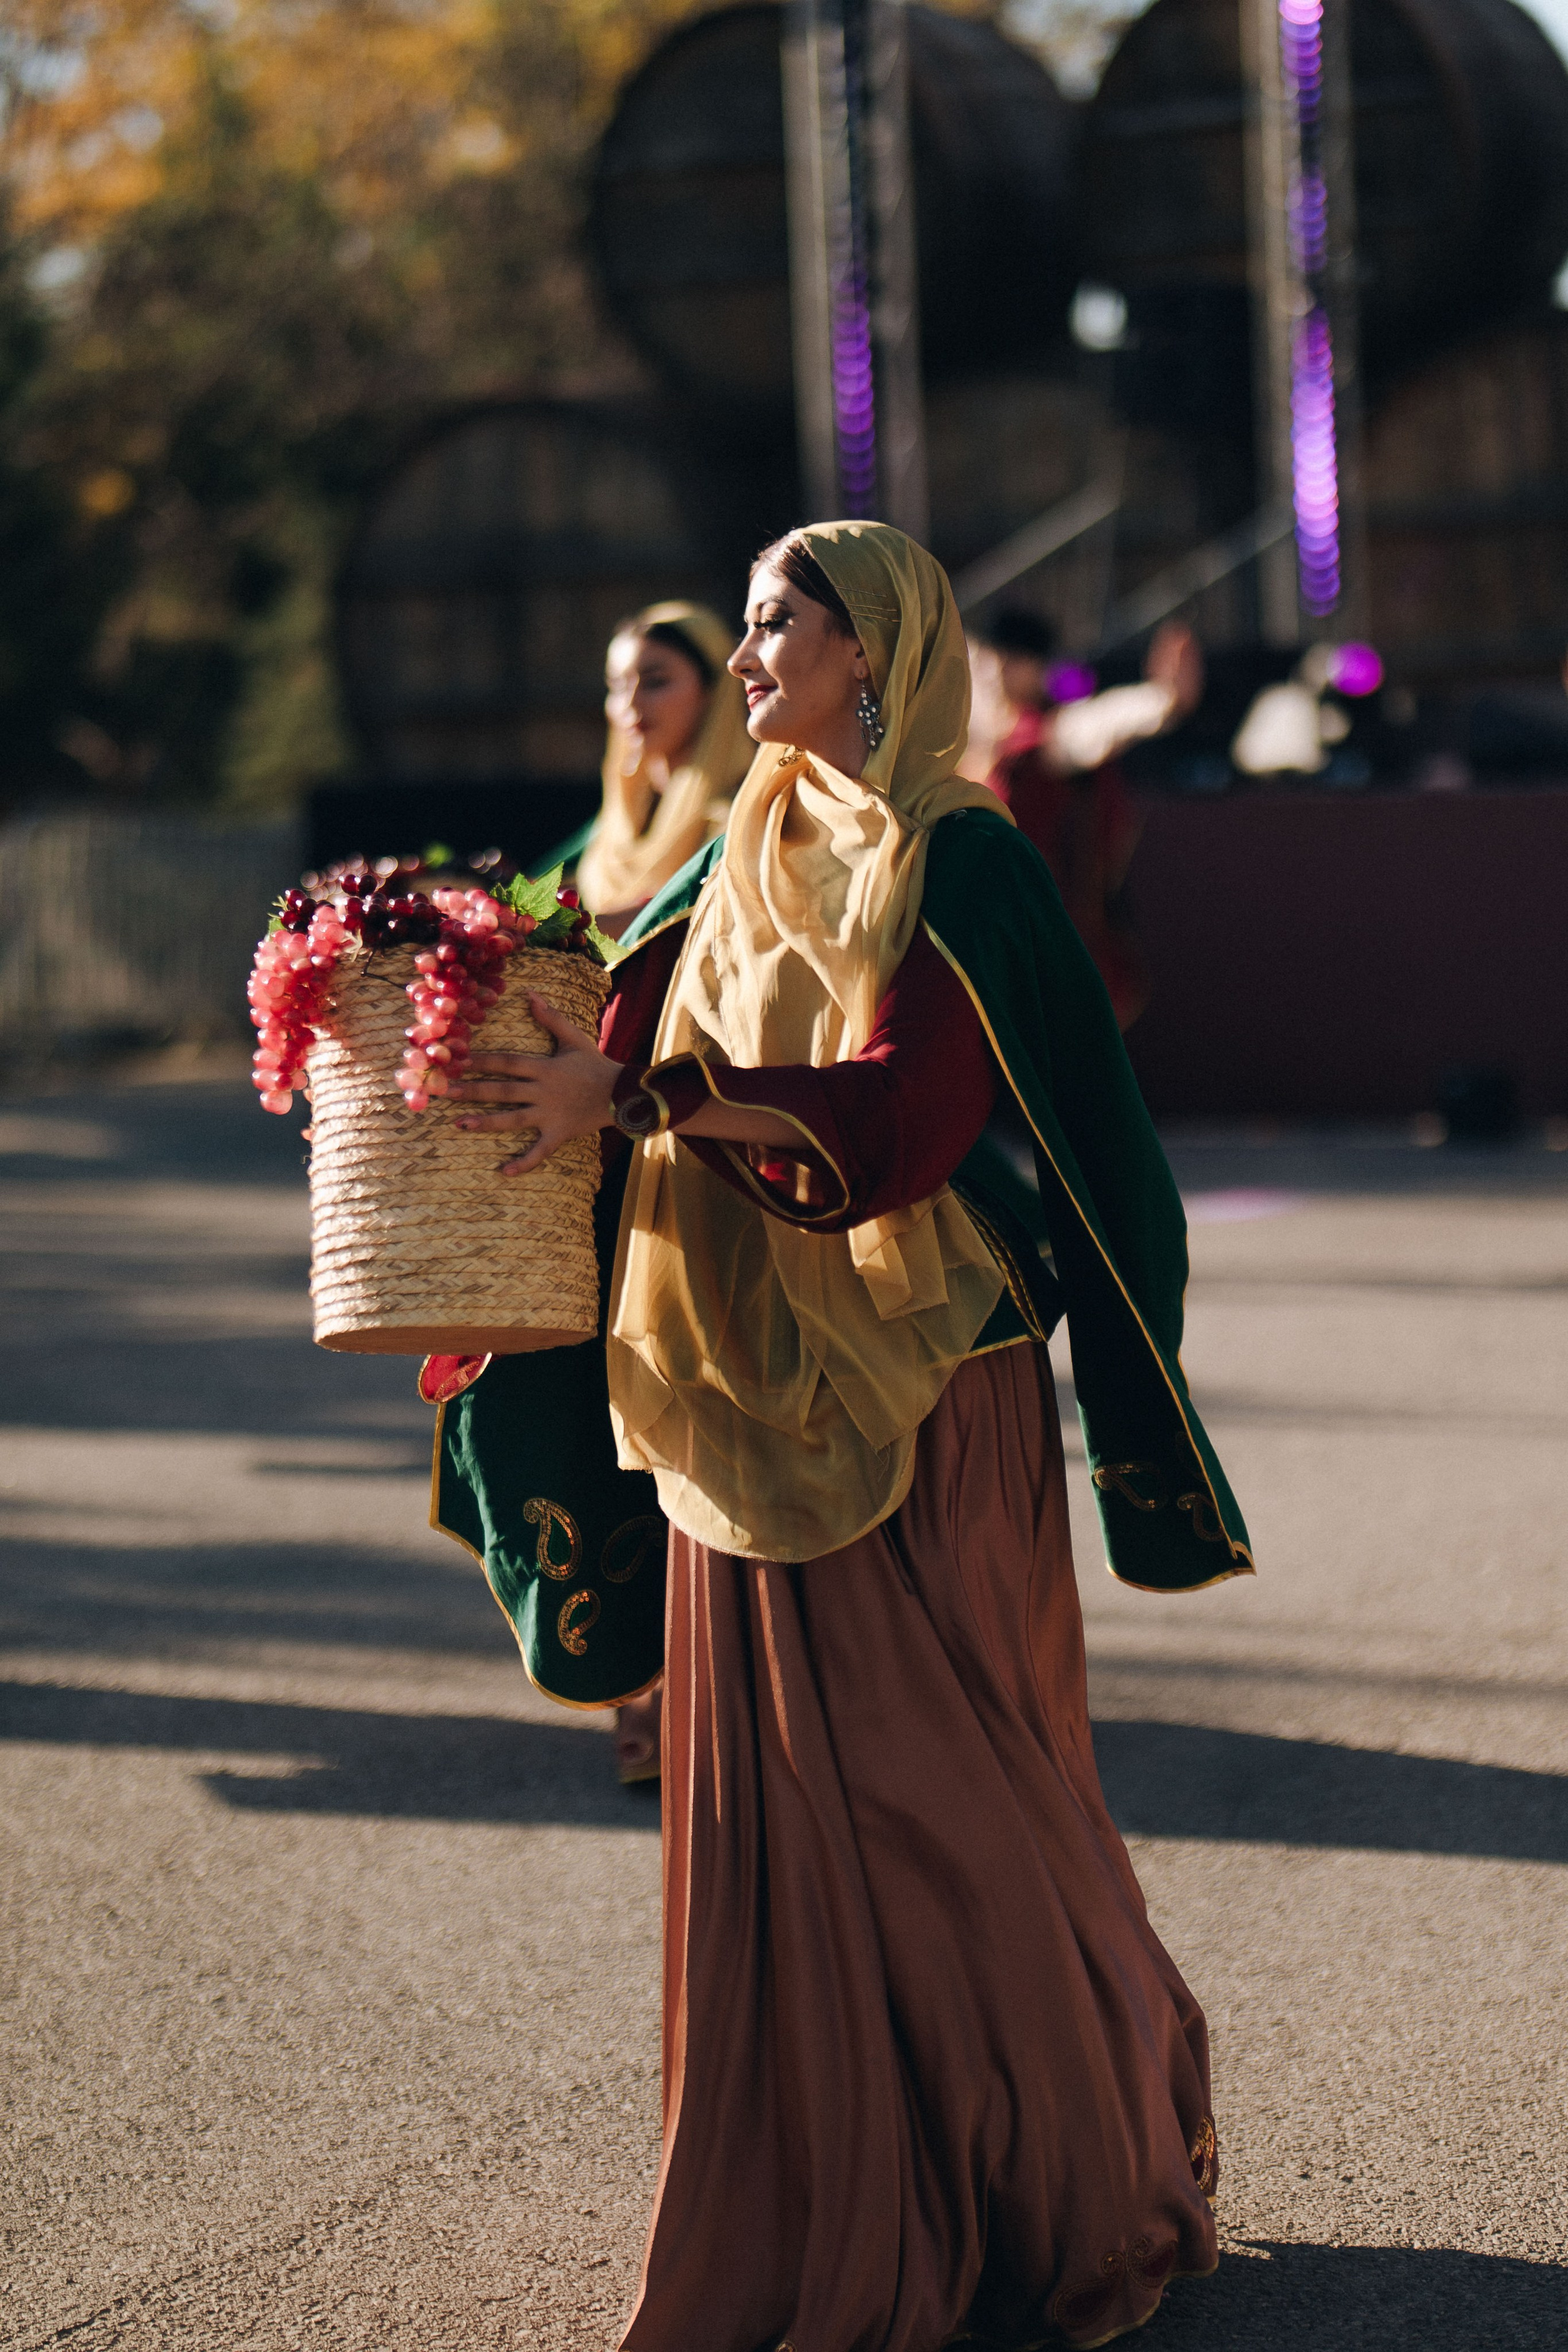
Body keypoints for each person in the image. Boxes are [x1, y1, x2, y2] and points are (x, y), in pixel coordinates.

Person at [444, 521, 1251, 2351]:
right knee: (777, 1818)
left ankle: (1059, 2173)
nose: (744, 660)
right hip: (728, 1378)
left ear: (869, 649)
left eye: (772, 626)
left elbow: (902, 1123)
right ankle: (820, 2191)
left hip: (921, 1379)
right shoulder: (733, 848)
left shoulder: (959, 856)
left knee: (944, 1793)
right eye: (737, 628)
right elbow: (609, 1023)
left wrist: (640, 1094)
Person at [963, 605, 1204, 1028]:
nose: (995, 671)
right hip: (980, 948)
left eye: (1011, 659)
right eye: (988, 658)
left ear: (1038, 669)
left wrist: (1163, 701)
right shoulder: (962, 744)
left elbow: (1101, 724)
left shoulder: (1051, 738)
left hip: (1041, 953)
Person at [559, 601, 753, 938]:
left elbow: (690, 914)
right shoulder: (618, 819)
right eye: (617, 686)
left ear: (714, 690)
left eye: (655, 682)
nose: (630, 704)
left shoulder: (745, 813)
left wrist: (555, 932)